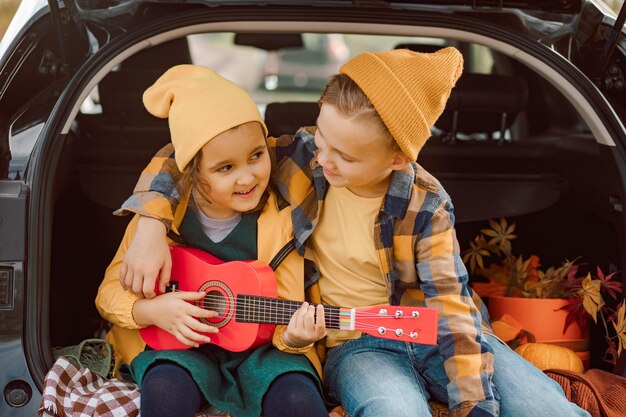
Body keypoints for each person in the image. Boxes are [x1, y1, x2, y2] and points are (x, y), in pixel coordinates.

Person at [118, 49, 590, 417]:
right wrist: (150, 221)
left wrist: (475, 405)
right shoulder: (303, 158)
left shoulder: (425, 204)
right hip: (354, 342)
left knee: (545, 408)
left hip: (436, 330)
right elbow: (193, 149)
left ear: (397, 159)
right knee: (395, 409)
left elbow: (452, 310)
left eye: (344, 155)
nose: (324, 159)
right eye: (321, 138)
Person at [95, 64, 328, 417]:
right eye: (225, 168)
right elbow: (108, 294)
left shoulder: (284, 211)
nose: (248, 177)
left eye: (256, 155)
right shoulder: (162, 219)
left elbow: (339, 143)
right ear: (192, 172)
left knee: (298, 399)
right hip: (180, 347)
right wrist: (152, 311)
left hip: (267, 351)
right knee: (165, 389)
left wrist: (294, 339)